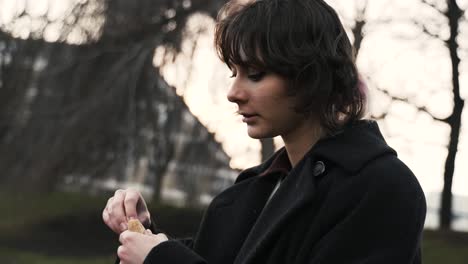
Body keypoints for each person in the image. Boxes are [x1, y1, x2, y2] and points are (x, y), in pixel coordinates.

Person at [102, 0, 427, 263]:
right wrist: (143, 234)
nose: (234, 92)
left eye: (255, 74)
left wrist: (162, 259)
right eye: (235, 72)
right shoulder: (247, 193)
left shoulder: (383, 188)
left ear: (311, 76)